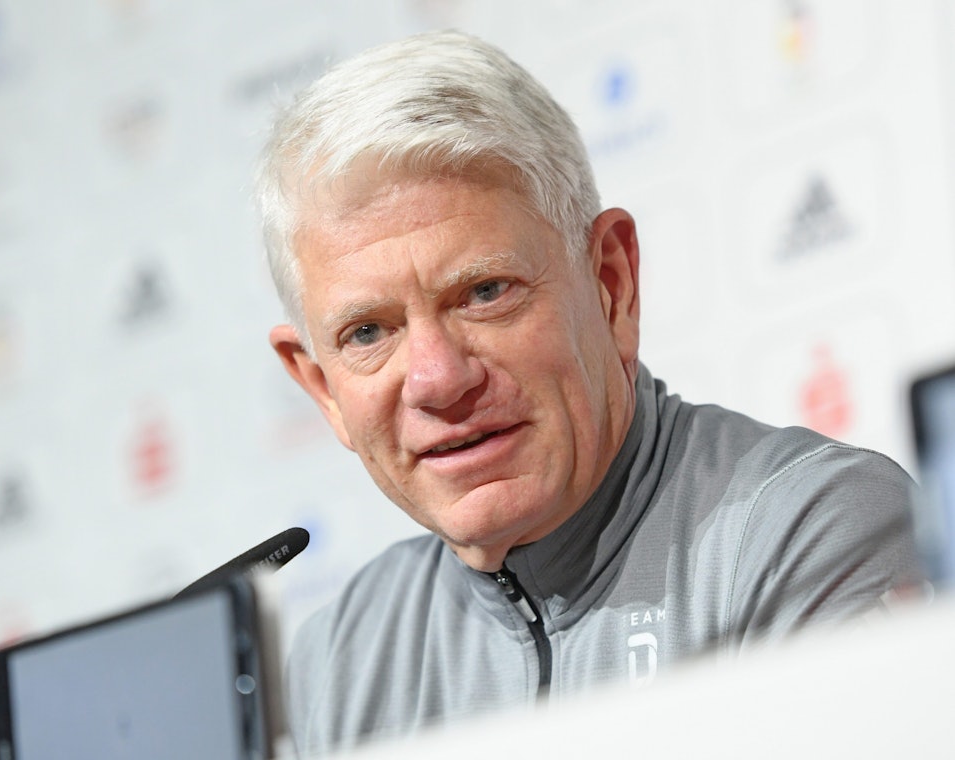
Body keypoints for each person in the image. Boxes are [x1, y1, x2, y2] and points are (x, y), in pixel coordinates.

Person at [255, 29, 923, 757]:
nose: (437, 379)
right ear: (320, 388)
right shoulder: (343, 659)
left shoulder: (809, 531)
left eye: (484, 292)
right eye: (366, 334)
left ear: (610, 284)